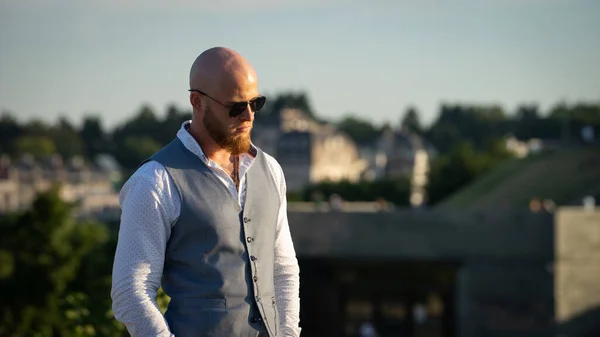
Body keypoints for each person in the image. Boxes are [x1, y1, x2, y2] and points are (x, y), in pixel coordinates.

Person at [110, 47, 301, 337]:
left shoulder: (271, 170)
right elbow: (130, 292)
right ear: (197, 101)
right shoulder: (155, 180)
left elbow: (283, 269)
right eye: (236, 107)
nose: (249, 116)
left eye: (256, 103)